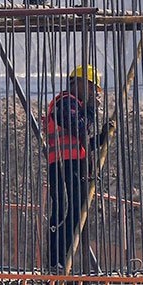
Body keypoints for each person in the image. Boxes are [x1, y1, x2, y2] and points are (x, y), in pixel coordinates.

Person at [44, 64, 112, 272]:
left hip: (74, 165)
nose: (93, 93)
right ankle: (56, 260)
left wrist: (101, 138)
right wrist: (90, 109)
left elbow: (82, 140)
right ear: (80, 83)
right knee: (64, 211)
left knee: (75, 213)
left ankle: (63, 261)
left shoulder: (75, 105)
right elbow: (79, 126)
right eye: (92, 88)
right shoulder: (65, 103)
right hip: (64, 166)